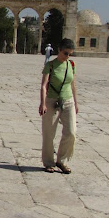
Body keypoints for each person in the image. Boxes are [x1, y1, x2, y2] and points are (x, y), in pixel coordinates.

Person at [39, 38, 78, 173]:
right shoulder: (50, 65)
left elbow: (73, 85)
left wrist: (76, 103)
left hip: (68, 101)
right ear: (59, 50)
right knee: (49, 133)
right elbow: (44, 85)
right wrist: (43, 103)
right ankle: (49, 162)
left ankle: (62, 160)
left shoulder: (71, 64)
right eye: (65, 53)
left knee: (71, 132)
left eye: (70, 54)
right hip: (52, 101)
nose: (67, 56)